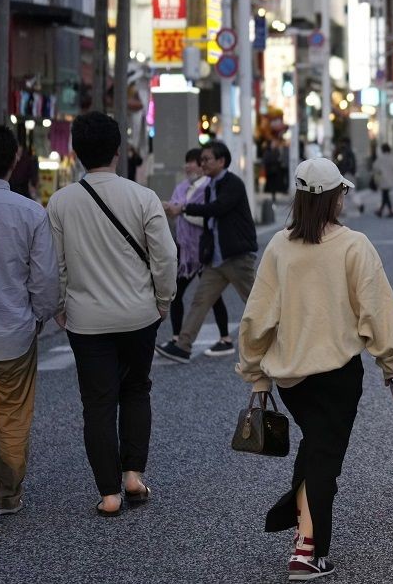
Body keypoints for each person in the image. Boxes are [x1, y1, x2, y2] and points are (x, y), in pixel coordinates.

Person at [237, 158, 393, 581]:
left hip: (292, 378)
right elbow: (377, 311)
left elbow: (257, 318)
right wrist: (391, 364)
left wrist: (256, 374)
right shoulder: (353, 245)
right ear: (335, 197)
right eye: (342, 193)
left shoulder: (280, 246)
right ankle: (307, 551)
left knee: (316, 446)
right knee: (325, 458)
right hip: (337, 375)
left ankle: (297, 526)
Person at [47, 112, 177, 516]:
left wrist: (60, 306)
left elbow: (57, 265)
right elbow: (166, 256)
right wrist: (163, 299)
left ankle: (108, 493)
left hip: (86, 321)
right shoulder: (142, 197)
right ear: (119, 151)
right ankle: (134, 474)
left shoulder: (61, 202)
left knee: (98, 404)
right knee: (137, 389)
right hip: (139, 314)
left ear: (77, 152)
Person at [0, 125, 58, 531]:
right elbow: (44, 281)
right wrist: (40, 315)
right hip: (14, 335)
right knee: (12, 416)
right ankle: (6, 494)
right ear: (14, 161)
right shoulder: (30, 212)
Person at [156, 140, 257, 363]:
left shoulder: (232, 183)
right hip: (216, 258)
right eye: (201, 160)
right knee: (200, 301)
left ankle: (284, 338)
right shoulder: (210, 185)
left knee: (258, 301)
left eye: (207, 159)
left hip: (237, 257)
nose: (203, 164)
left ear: (221, 161)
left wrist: (182, 208)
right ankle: (183, 345)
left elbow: (217, 209)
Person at [166, 149, 232, 350]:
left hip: (203, 250)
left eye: (192, 162)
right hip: (185, 250)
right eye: (187, 162)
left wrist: (182, 210)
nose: (189, 166)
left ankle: (225, 338)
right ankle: (177, 337)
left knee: (212, 296)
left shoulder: (207, 187)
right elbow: (174, 209)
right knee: (176, 294)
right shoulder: (182, 187)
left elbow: (207, 213)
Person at [334, 138, 364, 215]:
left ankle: (343, 209)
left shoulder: (341, 152)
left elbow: (338, 163)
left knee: (342, 192)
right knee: (351, 191)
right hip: (351, 174)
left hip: (344, 174)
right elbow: (354, 163)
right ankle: (359, 203)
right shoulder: (351, 151)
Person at [372, 143, 393, 218]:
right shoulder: (391, 157)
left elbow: (375, 166)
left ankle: (386, 211)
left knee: (385, 195)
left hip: (383, 179)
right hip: (390, 179)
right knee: (385, 195)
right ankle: (383, 211)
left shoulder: (381, 158)